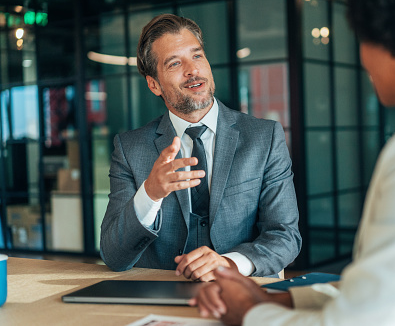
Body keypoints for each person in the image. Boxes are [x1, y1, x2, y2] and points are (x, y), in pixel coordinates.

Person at [192, 0, 395, 324]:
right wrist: (281, 300)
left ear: (391, 38)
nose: (362, 59)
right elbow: (393, 285)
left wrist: (249, 312)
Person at [100, 14, 301, 281]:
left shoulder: (264, 137)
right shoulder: (129, 149)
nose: (192, 70)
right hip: (162, 298)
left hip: (240, 294)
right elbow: (114, 256)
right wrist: (150, 193)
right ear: (154, 84)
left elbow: (285, 236)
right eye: (175, 63)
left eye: (197, 56)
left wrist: (230, 264)